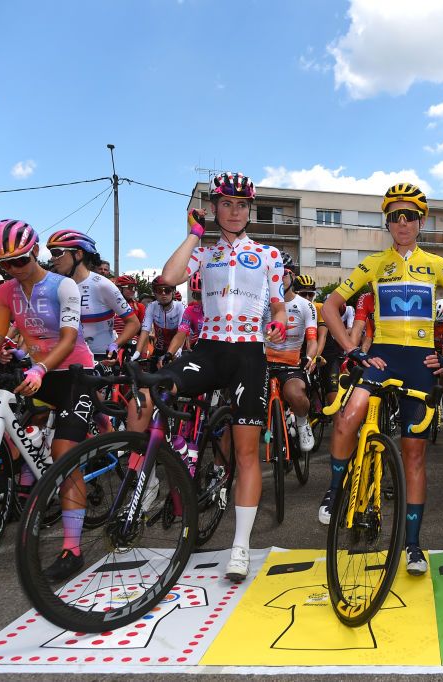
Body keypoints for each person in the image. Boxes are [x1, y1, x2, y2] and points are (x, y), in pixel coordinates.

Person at [130, 171, 286, 583]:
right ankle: (164, 464)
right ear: (214, 208)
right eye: (226, 204)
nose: (234, 212)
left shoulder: (269, 254)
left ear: (250, 210)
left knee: (247, 452)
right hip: (210, 347)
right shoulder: (205, 252)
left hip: (249, 352)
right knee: (157, 386)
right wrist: (194, 234)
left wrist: (279, 323)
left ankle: (240, 546)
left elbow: (279, 306)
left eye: (241, 205)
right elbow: (168, 277)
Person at [319, 182, 443, 576]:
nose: (402, 222)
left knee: (414, 455)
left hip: (420, 364)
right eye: (394, 216)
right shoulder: (373, 264)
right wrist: (352, 350)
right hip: (383, 357)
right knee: (348, 416)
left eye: (409, 216)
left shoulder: (437, 265)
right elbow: (332, 306)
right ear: (387, 222)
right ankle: (335, 491)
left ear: (421, 221)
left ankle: (413, 545)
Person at [0, 219, 97, 581]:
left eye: (18, 261)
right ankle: (17, 463)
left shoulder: (64, 285)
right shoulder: (4, 292)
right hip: (35, 373)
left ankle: (72, 549)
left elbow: (70, 338)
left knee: (64, 455)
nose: (11, 270)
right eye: (3, 265)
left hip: (73, 374)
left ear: (34, 253)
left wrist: (41, 368)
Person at [46, 230, 139, 364]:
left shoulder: (102, 285)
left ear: (78, 254)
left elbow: (133, 323)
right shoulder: (55, 285)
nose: (52, 259)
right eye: (51, 254)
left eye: (57, 253)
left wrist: (115, 345)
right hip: (66, 357)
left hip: (100, 357)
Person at [262, 254, 319, 451]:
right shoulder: (263, 304)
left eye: (282, 274)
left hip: (291, 364)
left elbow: (312, 339)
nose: (277, 278)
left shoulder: (306, 306)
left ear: (292, 276)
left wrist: (310, 357)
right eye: (272, 273)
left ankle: (302, 423)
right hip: (264, 363)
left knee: (294, 393)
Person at [136, 275, 185, 361]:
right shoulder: (151, 306)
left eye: (167, 290)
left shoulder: (180, 307)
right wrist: (137, 352)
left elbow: (182, 333)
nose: (163, 294)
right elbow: (145, 331)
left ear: (173, 292)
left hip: (177, 347)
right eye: (159, 290)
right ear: (155, 293)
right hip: (160, 348)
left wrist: (179, 350)